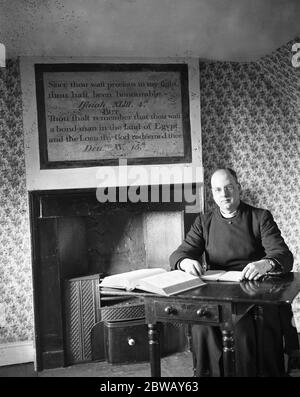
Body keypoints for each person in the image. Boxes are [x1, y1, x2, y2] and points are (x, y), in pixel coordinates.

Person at [169, 167, 299, 377]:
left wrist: (265, 264)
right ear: (213, 193)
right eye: (218, 190)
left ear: (238, 188)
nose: (224, 194)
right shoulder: (204, 221)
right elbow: (179, 254)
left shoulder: (260, 217)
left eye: (229, 187)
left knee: (242, 330)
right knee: (203, 326)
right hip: (217, 293)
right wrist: (185, 262)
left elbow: (283, 254)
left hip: (253, 292)